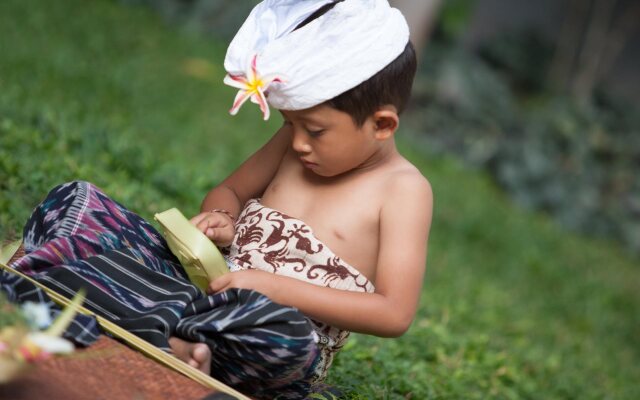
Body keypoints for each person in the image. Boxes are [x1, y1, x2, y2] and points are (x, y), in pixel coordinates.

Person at [7, 1, 432, 398]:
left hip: (259, 327)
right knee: (77, 202)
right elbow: (229, 191)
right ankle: (173, 341)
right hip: (196, 289)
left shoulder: (403, 190)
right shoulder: (294, 140)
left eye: (315, 131)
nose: (298, 142)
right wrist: (222, 217)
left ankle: (92, 291)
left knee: (281, 338)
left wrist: (274, 288)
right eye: (290, 124)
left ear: (381, 124)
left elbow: (393, 312)